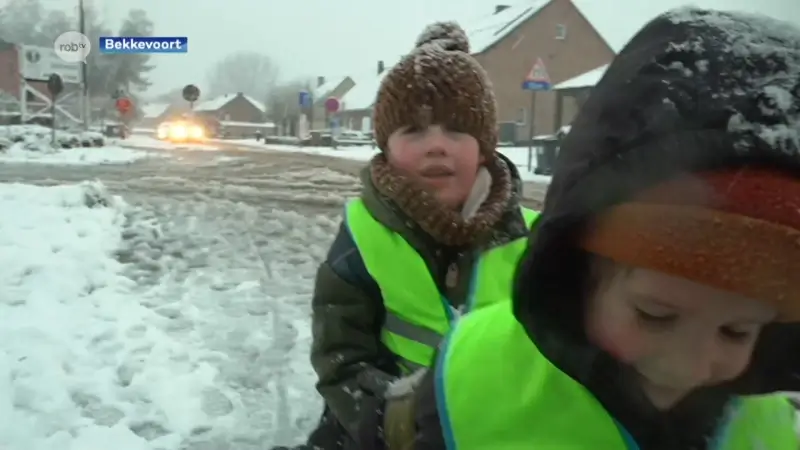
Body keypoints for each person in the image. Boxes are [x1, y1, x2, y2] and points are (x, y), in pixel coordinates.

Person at [369, 7, 800, 449]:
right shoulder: (464, 382)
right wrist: (366, 416)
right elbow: (343, 355)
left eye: (737, 331)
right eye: (654, 315)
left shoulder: (771, 425)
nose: (685, 367)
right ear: (583, 274)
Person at [294, 22, 539, 450]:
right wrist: (392, 421)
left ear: (484, 147)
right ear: (385, 147)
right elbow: (342, 358)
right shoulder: (364, 236)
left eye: (456, 130)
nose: (436, 146)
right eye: (414, 131)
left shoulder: (538, 239)